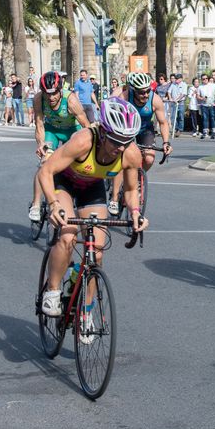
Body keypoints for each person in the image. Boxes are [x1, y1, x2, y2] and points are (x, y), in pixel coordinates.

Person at [36, 100, 148, 318]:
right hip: (64, 183)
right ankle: (53, 289)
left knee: (96, 253)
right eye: (116, 140)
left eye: (127, 141)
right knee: (68, 236)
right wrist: (53, 205)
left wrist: (135, 212)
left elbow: (131, 189)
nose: (121, 147)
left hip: (92, 187)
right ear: (103, 133)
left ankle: (85, 313)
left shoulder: (131, 153)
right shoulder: (83, 141)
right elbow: (46, 171)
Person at [28, 71, 91, 222]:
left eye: (54, 93)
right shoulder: (38, 99)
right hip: (52, 131)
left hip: (72, 131)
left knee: (79, 163)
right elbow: (39, 124)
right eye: (47, 94)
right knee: (44, 163)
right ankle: (36, 204)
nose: (51, 97)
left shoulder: (71, 100)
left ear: (60, 90)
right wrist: (41, 144)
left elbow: (86, 125)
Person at [109, 72, 172, 215]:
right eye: (141, 92)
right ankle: (114, 198)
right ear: (133, 90)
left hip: (145, 129)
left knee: (149, 157)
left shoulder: (155, 99)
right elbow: (116, 120)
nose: (145, 94)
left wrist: (166, 142)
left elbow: (163, 123)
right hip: (126, 128)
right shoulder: (124, 97)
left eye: (148, 91)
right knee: (122, 160)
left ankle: (136, 180)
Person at [197, 74, 215, 139]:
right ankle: (205, 132)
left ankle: (213, 131)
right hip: (204, 105)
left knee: (212, 118)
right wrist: (202, 98)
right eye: (203, 79)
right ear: (201, 80)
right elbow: (197, 96)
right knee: (205, 118)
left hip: (212, 104)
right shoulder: (200, 87)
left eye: (206, 78)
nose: (205, 80)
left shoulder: (212, 85)